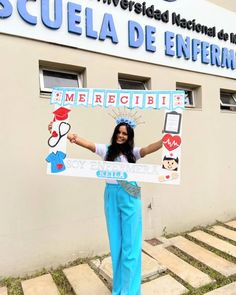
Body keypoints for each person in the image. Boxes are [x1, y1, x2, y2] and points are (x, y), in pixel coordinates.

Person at [49, 120, 163, 295]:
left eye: (125, 133)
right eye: (119, 132)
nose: (121, 135)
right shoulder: (106, 150)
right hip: (111, 196)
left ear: (129, 136)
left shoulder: (133, 153)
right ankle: (118, 290)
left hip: (130, 195)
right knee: (116, 245)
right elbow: (87, 143)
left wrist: (167, 140)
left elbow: (148, 148)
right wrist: (63, 133)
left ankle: (131, 292)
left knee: (130, 247)